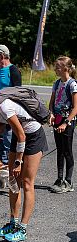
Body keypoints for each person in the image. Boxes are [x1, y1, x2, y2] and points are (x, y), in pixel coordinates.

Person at [0, 90, 48, 242]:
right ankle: (13, 223)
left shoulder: (4, 107)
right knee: (13, 181)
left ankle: (22, 229)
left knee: (26, 183)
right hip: (19, 136)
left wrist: (18, 161)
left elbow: (22, 136)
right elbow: (5, 126)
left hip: (32, 136)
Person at [0, 45, 22, 164]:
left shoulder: (13, 70)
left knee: (8, 139)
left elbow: (18, 93)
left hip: (8, 112)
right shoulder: (0, 70)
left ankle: (9, 168)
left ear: (1, 56)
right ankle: (2, 166)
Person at [49, 56, 77, 193]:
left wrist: (66, 123)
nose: (55, 69)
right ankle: (59, 179)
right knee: (59, 151)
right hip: (58, 120)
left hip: (68, 121)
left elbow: (76, 108)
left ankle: (69, 181)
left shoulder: (72, 84)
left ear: (65, 69)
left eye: (58, 67)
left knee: (67, 151)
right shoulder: (56, 83)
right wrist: (52, 114)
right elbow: (52, 102)